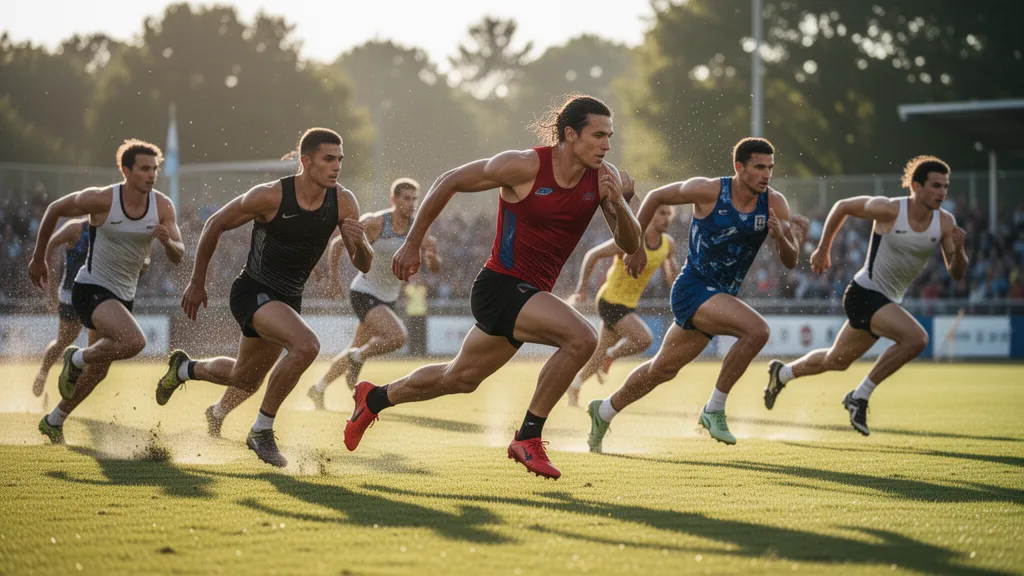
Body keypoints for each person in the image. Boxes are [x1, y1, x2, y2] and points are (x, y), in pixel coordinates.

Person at [344, 94, 641, 479]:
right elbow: (448, 181)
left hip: (528, 295)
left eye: (610, 137)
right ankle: (528, 437)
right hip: (500, 285)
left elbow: (631, 244)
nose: (606, 145)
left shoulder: (603, 181)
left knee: (460, 378)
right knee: (581, 339)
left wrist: (622, 202)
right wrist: (413, 242)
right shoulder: (523, 166)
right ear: (570, 134)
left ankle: (374, 398)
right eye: (598, 135)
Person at [155, 127, 373, 467]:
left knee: (245, 378)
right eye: (328, 159)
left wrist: (359, 243)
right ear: (306, 161)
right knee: (307, 346)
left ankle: (184, 369)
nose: (336, 167)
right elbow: (215, 223)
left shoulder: (343, 201)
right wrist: (198, 282)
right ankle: (262, 431)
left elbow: (364, 263)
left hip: (288, 299)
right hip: (253, 290)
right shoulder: (271, 195)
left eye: (340, 160)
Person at [586, 137, 808, 453]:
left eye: (770, 168)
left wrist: (785, 238)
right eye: (759, 167)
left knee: (662, 369)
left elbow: (790, 260)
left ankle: (604, 410)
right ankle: (714, 408)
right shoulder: (708, 190)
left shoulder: (775, 204)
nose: (766, 174)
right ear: (739, 167)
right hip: (693, 288)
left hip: (720, 296)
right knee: (757, 331)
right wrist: (633, 246)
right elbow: (656, 195)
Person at [764, 155, 968, 435]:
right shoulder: (890, 210)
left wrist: (958, 251)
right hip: (865, 293)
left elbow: (957, 273)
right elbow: (843, 206)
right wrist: (824, 249)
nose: (942, 192)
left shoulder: (945, 223)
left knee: (835, 361)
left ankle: (782, 374)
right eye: (936, 186)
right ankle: (859, 396)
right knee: (916, 339)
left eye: (945, 186)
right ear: (916, 187)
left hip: (886, 302)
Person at [29, 139, 184, 444]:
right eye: (144, 169)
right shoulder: (103, 200)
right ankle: (74, 360)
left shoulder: (163, 206)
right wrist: (37, 258)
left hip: (123, 296)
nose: (151, 174)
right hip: (90, 288)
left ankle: (54, 420)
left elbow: (179, 254)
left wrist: (168, 243)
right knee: (134, 341)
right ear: (125, 170)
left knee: (99, 371)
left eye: (154, 168)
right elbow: (55, 208)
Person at [307, 178, 440, 408]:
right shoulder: (376, 222)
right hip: (364, 291)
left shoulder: (419, 228)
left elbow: (435, 267)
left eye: (414, 199)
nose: (411, 204)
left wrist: (433, 259)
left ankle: (318, 388)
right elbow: (338, 244)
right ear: (393, 199)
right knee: (398, 337)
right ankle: (358, 358)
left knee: (355, 347)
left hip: (388, 297)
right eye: (405, 198)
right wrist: (335, 280)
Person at [564, 202, 679, 407]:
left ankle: (575, 384)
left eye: (669, 214)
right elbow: (593, 254)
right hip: (610, 300)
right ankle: (611, 355)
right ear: (649, 215)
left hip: (628, 304)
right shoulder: (631, 239)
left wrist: (677, 283)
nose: (667, 218)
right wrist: (581, 288)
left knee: (598, 355)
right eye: (662, 212)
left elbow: (671, 269)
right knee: (644, 339)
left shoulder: (668, 244)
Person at [30, 217, 89, 397]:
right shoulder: (76, 228)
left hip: (96, 296)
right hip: (70, 295)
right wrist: (51, 289)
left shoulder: (109, 230)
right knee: (63, 341)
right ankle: (43, 373)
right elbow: (52, 243)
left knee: (99, 341)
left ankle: (77, 380)